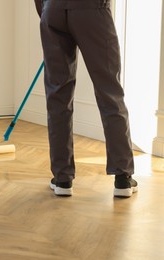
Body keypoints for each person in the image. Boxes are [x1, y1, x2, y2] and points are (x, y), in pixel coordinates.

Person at [33, 0, 138, 197]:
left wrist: (48, 10)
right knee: (110, 92)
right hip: (91, 9)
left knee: (57, 94)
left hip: (52, 11)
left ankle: (62, 178)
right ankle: (123, 177)